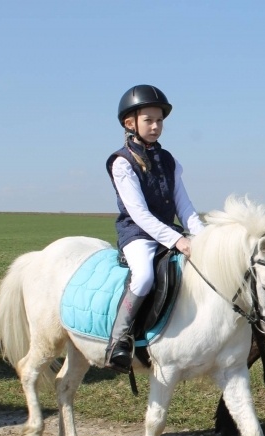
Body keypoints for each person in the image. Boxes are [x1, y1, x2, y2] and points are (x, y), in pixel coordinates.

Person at [104, 84, 205, 373]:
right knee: (145, 276)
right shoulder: (122, 162)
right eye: (149, 120)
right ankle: (119, 339)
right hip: (137, 234)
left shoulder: (170, 161)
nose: (156, 125)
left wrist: (202, 236)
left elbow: (184, 206)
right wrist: (176, 240)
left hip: (167, 231)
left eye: (159, 120)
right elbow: (138, 213)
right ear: (130, 123)